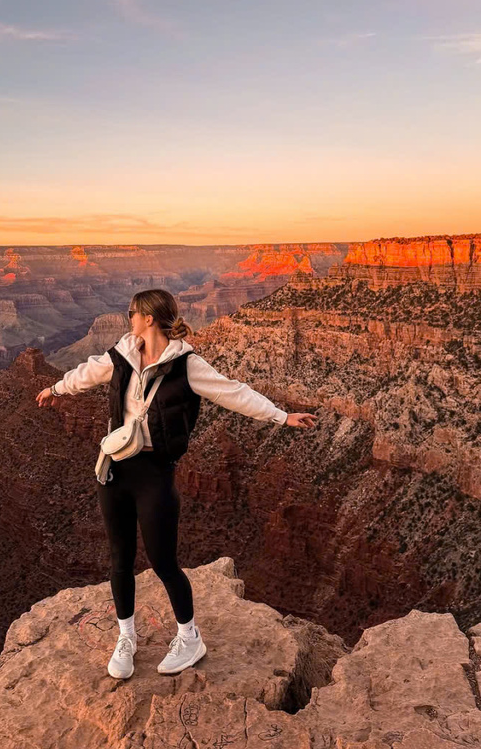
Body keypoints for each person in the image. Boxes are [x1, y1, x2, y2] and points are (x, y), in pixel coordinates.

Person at [36, 288, 317, 680]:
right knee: (120, 558)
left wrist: (281, 416)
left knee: (162, 560)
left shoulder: (188, 364)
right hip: (115, 468)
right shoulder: (121, 353)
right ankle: (127, 637)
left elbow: (232, 392)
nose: (128, 318)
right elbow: (88, 372)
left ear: (149, 318)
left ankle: (190, 636)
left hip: (154, 472)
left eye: (132, 312)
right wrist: (56, 389)